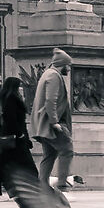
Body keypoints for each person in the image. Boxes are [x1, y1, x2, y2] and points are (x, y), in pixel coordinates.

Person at [31, 49, 76, 192]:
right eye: (68, 65)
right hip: (50, 124)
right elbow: (51, 100)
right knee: (67, 150)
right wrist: (54, 122)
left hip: (43, 123)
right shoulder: (54, 76)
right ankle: (62, 186)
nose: (69, 68)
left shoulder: (47, 74)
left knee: (49, 155)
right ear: (61, 64)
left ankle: (42, 187)